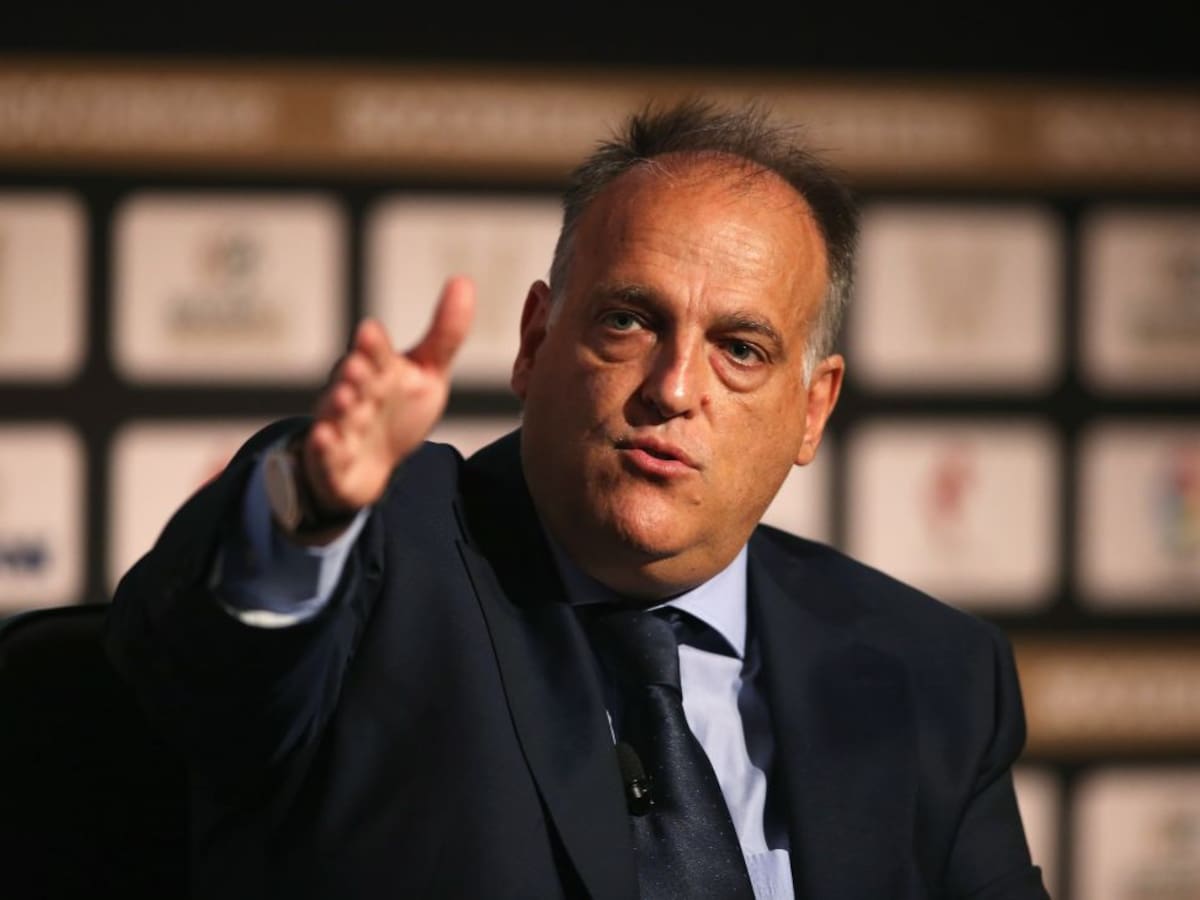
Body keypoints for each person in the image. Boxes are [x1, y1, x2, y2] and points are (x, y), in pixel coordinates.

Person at [107, 100, 1050, 899]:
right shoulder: (380, 559)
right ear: (534, 341)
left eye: (741, 350)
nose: (673, 388)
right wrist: (310, 509)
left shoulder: (932, 673)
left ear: (813, 410)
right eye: (628, 320)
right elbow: (201, 668)